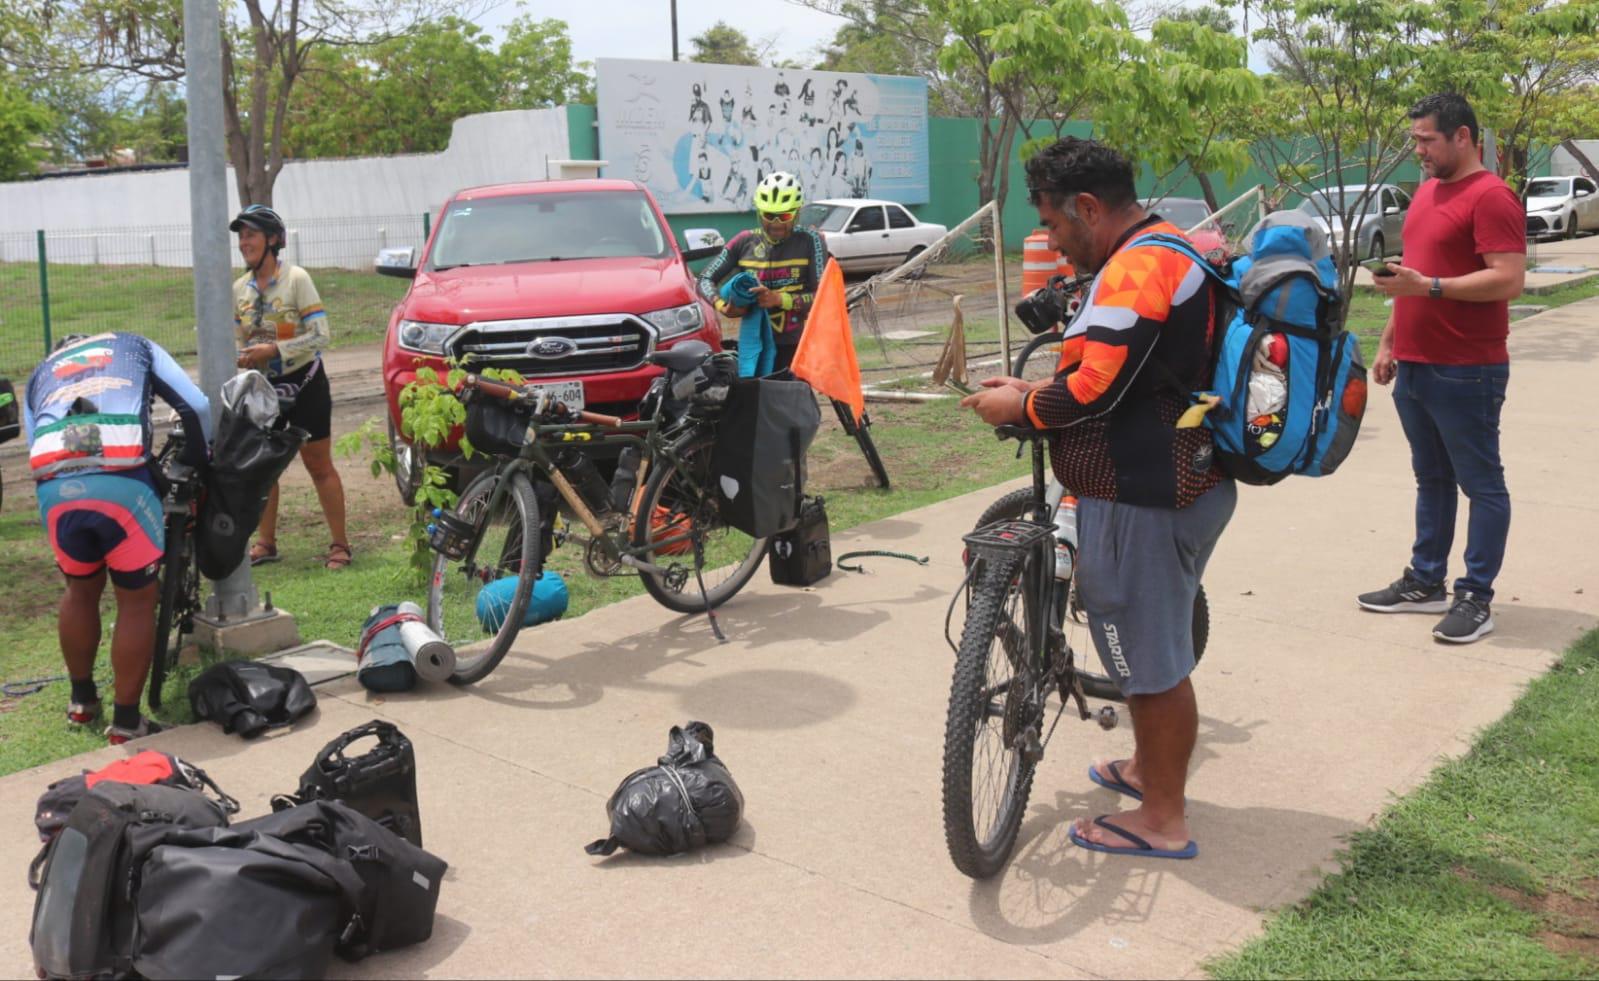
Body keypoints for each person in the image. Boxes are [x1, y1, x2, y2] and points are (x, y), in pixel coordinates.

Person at [960, 137, 1235, 860]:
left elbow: (1094, 388)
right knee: (1149, 650)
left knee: (1149, 665)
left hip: (1145, 493)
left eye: (1052, 224)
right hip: (1168, 479)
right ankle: (1148, 771)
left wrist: (1021, 409)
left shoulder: (1140, 264)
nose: (1050, 242)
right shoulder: (1162, 247)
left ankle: (1161, 818)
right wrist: (1028, 391)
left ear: (1087, 207)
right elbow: (1125, 372)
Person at [1361, 93, 1525, 644]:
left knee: (1482, 483)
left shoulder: (1493, 196)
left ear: (1463, 136)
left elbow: (1508, 278)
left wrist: (1429, 287)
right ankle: (1424, 583)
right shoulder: (1427, 192)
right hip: (1416, 364)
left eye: (1427, 139)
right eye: (1415, 140)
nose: (1419, 150)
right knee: (1431, 479)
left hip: (1467, 369)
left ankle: (1475, 597)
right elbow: (1415, 276)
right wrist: (1389, 341)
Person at [23, 332, 212, 744]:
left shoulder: (42, 373)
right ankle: (127, 722)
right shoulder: (135, 345)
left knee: (79, 590)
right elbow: (195, 405)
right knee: (137, 601)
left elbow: (32, 439)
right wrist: (199, 458)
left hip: (55, 486)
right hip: (122, 479)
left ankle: (81, 703)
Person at [231, 204, 352, 570]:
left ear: (272, 240)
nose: (243, 242)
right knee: (263, 468)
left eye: (250, 234)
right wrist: (242, 357)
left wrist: (276, 350)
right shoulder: (239, 289)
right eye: (240, 236)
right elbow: (239, 340)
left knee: (318, 466)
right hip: (263, 389)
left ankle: (340, 545)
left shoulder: (297, 279)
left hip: (306, 385)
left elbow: (321, 335)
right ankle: (266, 542)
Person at [696, 172, 828, 377]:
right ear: (759, 212)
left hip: (795, 344)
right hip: (754, 345)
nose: (776, 223)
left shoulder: (811, 241)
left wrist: (779, 299)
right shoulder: (743, 241)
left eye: (784, 216)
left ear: (797, 213)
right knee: (757, 405)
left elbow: (822, 297)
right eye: (768, 215)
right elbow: (704, 279)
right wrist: (724, 307)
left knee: (792, 405)